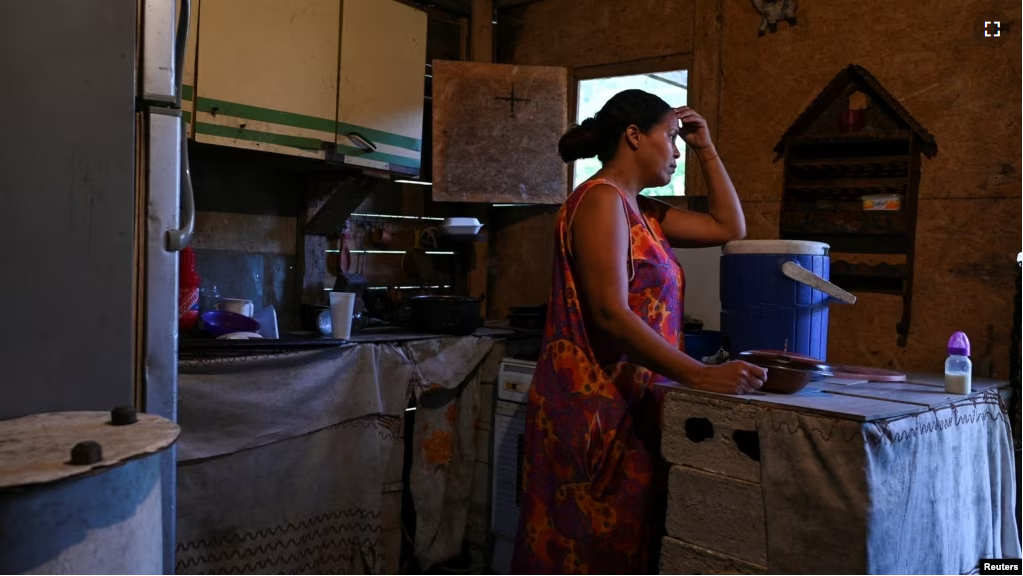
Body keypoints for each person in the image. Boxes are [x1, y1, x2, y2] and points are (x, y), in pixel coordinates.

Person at [510, 89, 768, 574]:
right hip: (594, 410)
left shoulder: (644, 211)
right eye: (671, 138)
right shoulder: (601, 201)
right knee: (585, 550)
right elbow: (609, 314)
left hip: (629, 404)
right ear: (634, 136)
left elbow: (729, 226)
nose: (676, 151)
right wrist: (698, 375)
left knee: (620, 548)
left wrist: (705, 148)